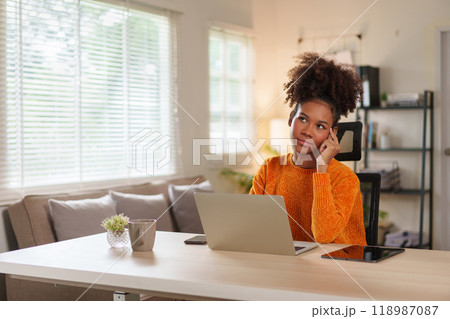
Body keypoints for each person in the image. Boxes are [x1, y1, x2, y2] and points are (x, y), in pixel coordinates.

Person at [249, 52, 366, 245]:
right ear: (290, 119)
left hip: (336, 266)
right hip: (285, 263)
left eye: (320, 126)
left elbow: (324, 236)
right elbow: (250, 225)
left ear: (332, 133)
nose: (308, 132)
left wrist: (322, 169)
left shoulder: (345, 179)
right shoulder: (270, 169)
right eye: (303, 119)